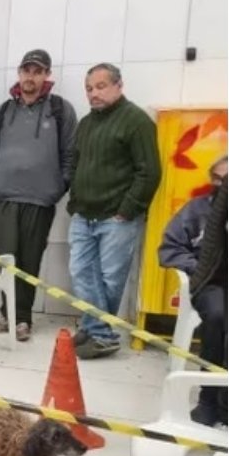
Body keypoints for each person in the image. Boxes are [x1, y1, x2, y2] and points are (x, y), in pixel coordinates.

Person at [0, 49, 77, 341]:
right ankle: (6, 315)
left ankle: (23, 319)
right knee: (6, 260)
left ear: (47, 75)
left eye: (37, 71)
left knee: (30, 261)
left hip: (40, 200)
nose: (30, 77)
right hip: (4, 198)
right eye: (26, 70)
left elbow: (70, 153)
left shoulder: (60, 109)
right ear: (19, 73)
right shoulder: (4, 110)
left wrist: (59, 187)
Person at [67, 63, 161, 359]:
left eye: (100, 86)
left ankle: (97, 332)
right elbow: (77, 163)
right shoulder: (86, 123)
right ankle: (99, 331)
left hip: (116, 218)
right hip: (83, 214)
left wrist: (127, 210)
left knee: (110, 279)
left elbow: (149, 172)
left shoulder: (136, 121)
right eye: (89, 89)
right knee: (81, 271)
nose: (94, 93)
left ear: (119, 86)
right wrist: (74, 198)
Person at [159, 155, 228, 427]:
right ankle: (208, 399)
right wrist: (200, 266)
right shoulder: (197, 210)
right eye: (221, 180)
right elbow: (169, 249)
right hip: (210, 282)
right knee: (219, 316)